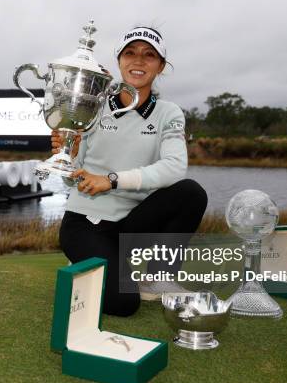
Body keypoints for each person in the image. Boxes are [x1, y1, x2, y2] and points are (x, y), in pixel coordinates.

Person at [55, 26, 208, 317]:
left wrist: (112, 181)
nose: (139, 61)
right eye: (130, 53)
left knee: (190, 193)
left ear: (161, 66)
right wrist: (69, 158)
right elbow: (69, 179)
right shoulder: (94, 108)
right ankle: (89, 265)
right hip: (86, 222)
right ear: (119, 60)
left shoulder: (169, 113)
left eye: (149, 55)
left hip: (132, 224)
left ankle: (157, 278)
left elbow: (175, 168)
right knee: (123, 305)